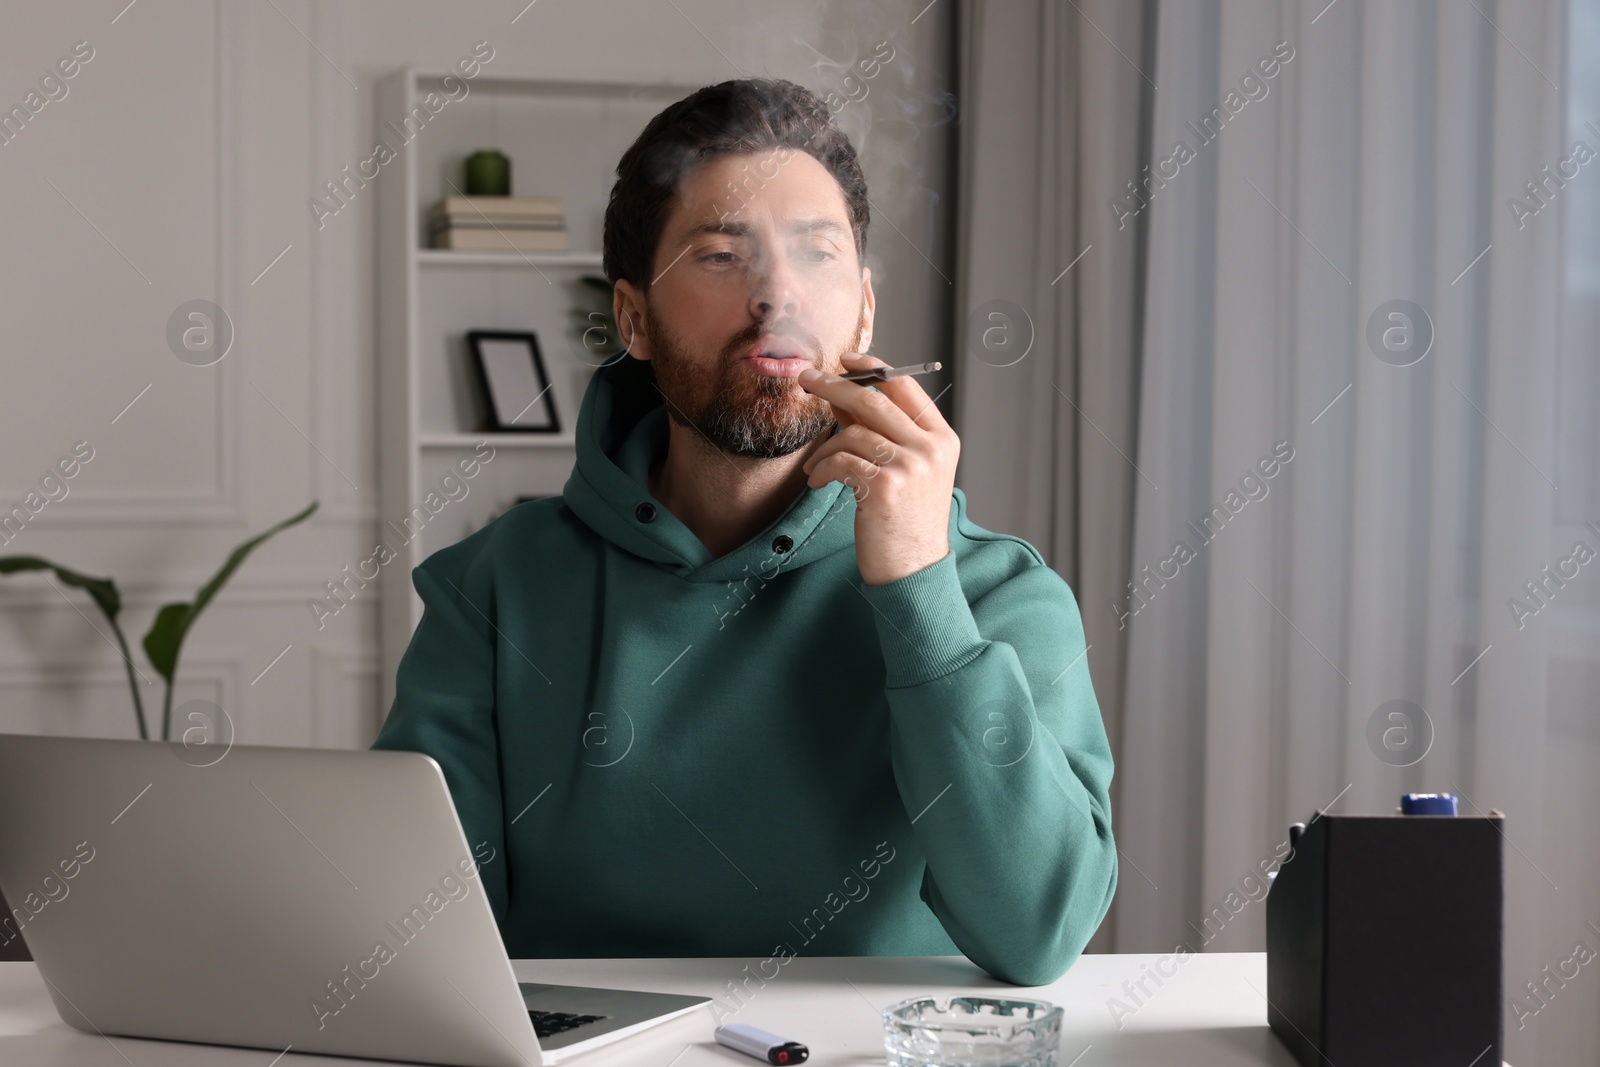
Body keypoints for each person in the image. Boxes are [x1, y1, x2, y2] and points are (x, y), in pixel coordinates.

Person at [372, 76, 1116, 986]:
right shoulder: (489, 589)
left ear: (865, 312)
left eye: (816, 255)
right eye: (723, 256)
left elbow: (1039, 932)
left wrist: (920, 587)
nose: (779, 297)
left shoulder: (998, 592)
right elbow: (413, 940)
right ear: (634, 318)